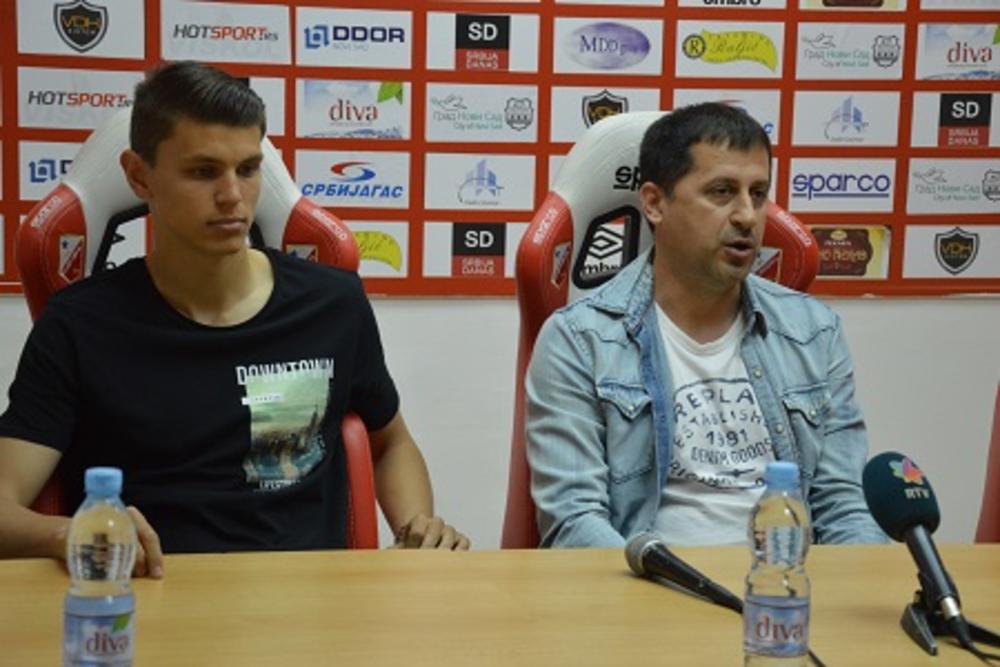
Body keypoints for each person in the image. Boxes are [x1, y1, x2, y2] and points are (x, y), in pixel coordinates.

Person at [0, 61, 469, 576]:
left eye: (247, 170)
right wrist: (75, 532)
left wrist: (416, 527)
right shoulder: (78, 325)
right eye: (203, 172)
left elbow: (390, 443)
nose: (232, 196)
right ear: (139, 175)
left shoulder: (332, 303)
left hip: (313, 600)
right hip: (155, 592)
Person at [526, 103, 887, 548]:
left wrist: (865, 577)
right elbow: (575, 522)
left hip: (783, 580)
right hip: (649, 582)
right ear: (654, 203)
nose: (747, 216)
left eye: (758, 193)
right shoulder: (579, 340)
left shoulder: (814, 331)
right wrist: (680, 585)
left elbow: (844, 508)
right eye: (721, 192)